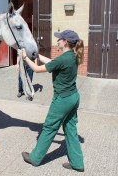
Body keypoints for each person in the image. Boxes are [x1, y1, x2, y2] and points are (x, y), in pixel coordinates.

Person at [21, 30, 84, 172]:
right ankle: (77, 163)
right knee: (70, 129)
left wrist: (25, 57)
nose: (57, 41)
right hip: (73, 97)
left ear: (65, 42)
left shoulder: (64, 58)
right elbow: (52, 63)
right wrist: (37, 55)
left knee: (49, 127)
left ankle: (35, 158)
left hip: (62, 99)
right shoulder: (72, 56)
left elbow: (36, 69)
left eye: (59, 39)